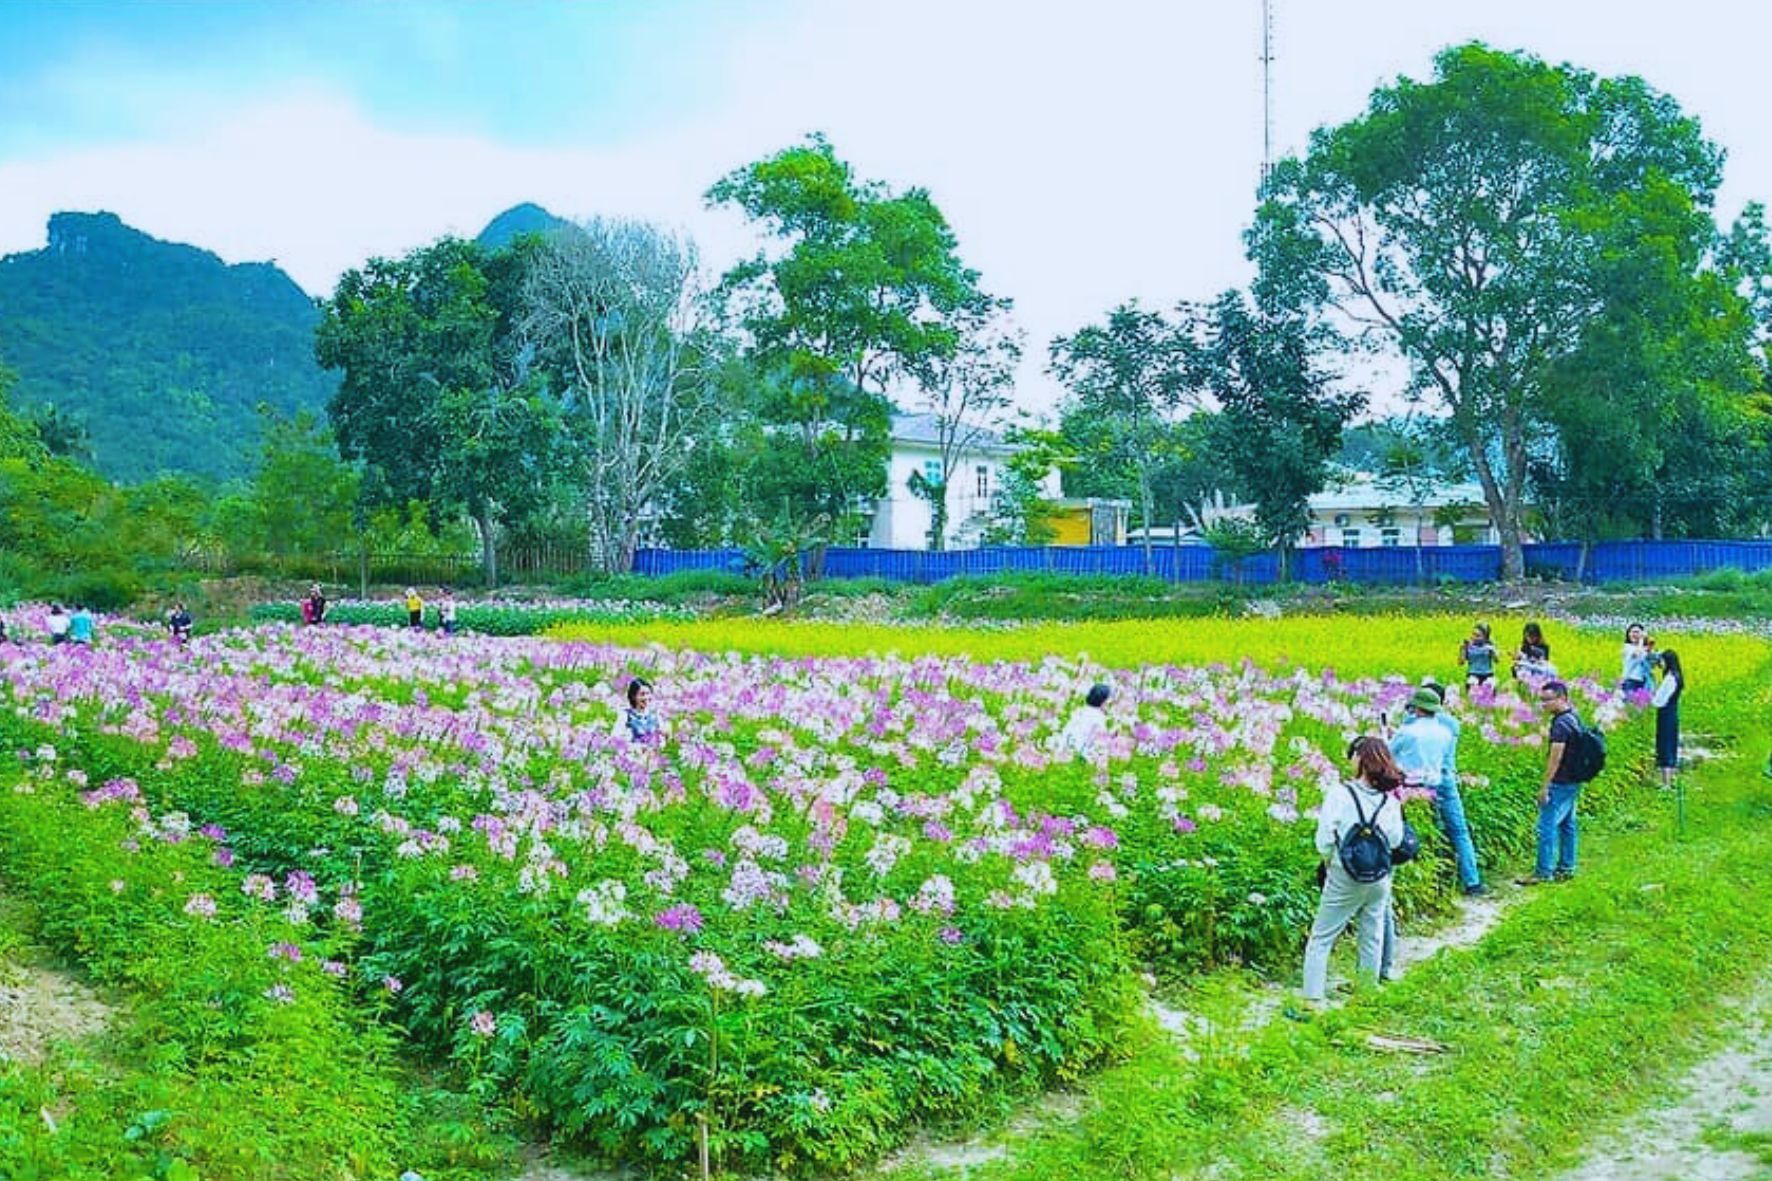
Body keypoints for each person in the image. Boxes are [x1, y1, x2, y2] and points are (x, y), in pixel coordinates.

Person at [1300, 736, 1406, 1006]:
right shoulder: (1389, 801)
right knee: (1372, 933)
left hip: (1345, 873)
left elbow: (1324, 838)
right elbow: (1395, 840)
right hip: (1379, 876)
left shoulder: (1340, 794)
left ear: (1360, 759)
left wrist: (1329, 860)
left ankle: (1313, 997)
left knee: (1322, 936)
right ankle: (1366, 991)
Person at [1521, 680, 1583, 885]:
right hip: (1574, 779)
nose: (1544, 705)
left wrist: (1545, 786)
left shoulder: (1560, 724)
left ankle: (1543, 872)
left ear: (1562, 698)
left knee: (1546, 826)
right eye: (1541, 701)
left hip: (1560, 781)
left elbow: (1555, 757)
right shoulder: (1574, 717)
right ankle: (1566, 867)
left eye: (1548, 700)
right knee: (1568, 824)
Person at [1651, 649, 1683, 790]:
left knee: (1665, 744)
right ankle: (1668, 780)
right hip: (1672, 713)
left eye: (1662, 661)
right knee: (1670, 742)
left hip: (1666, 713)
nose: (1660, 664)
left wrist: (1650, 697)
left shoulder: (1670, 678)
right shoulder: (1676, 676)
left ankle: (1666, 783)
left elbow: (1659, 700)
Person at [1058, 683, 1112, 755]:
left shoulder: (1080, 710)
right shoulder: (1099, 718)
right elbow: (1100, 741)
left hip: (1065, 748)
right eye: (1108, 700)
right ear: (1103, 702)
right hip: (1083, 753)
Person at [1458, 622, 1498, 687]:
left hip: (1487, 674)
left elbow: (1496, 660)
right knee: (1473, 683)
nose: (1474, 637)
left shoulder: (1489, 647)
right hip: (1473, 674)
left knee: (1489, 685)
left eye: (1478, 636)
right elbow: (1461, 662)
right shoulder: (1468, 647)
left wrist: (1493, 650)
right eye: (1473, 634)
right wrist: (1463, 649)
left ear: (1485, 638)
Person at [625, 678, 662, 743]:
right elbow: (617, 739)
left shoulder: (656, 716)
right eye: (642, 694)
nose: (646, 697)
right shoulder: (626, 716)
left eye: (648, 693)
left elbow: (661, 740)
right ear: (633, 696)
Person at [1621, 623, 1654, 694]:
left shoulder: (1644, 649)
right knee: (1630, 703)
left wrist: (1650, 647)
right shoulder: (1627, 647)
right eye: (1631, 632)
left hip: (1644, 681)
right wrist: (1641, 639)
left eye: (1636, 632)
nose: (1633, 634)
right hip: (1630, 681)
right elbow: (1637, 654)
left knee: (1643, 704)